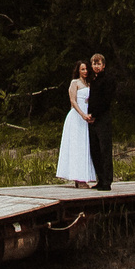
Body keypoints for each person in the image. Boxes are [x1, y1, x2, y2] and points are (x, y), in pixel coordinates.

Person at [54, 58, 95, 186]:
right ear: (78, 71)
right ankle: (78, 178)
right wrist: (82, 114)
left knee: (85, 146)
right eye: (82, 69)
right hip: (77, 117)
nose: (85, 71)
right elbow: (73, 101)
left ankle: (85, 177)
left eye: (86, 69)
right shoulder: (74, 83)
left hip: (87, 117)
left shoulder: (89, 83)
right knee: (76, 146)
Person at [86, 52, 114, 190]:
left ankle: (107, 181)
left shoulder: (108, 79)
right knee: (95, 150)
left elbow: (106, 101)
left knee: (105, 150)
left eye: (99, 64)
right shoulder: (94, 81)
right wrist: (89, 115)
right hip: (93, 120)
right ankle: (100, 178)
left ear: (103, 65)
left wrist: (95, 114)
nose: (96, 66)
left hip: (103, 119)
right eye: (94, 64)